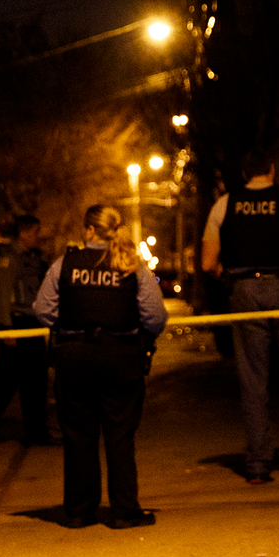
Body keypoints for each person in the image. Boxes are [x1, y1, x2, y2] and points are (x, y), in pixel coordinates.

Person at [33, 205, 169, 529]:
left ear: (90, 231)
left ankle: (80, 511)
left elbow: (42, 311)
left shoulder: (64, 264)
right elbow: (156, 317)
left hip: (75, 355)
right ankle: (124, 511)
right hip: (120, 356)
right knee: (120, 435)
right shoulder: (131, 266)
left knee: (78, 434)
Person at [201, 151, 279, 484]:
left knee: (252, 378)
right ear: (272, 168)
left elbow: (207, 262)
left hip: (245, 291)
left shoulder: (224, 205)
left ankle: (258, 462)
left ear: (245, 173)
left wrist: (228, 279)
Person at [0, 215, 54, 448]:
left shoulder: (34, 259)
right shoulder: (9, 259)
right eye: (36, 232)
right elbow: (3, 296)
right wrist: (7, 329)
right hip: (16, 324)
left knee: (36, 381)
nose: (39, 236)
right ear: (24, 233)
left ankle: (37, 431)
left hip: (32, 324)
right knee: (6, 382)